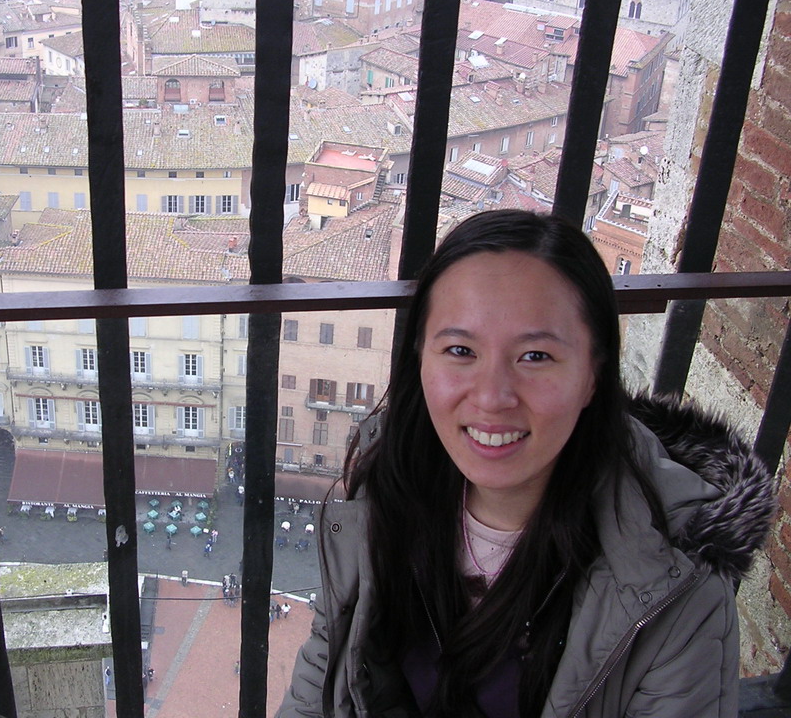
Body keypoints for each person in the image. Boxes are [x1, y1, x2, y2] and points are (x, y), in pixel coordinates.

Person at [278, 210, 775, 718]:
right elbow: (323, 678)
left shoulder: (676, 587)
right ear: (419, 360)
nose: (493, 397)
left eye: (535, 356)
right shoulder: (386, 491)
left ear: (593, 377)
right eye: (460, 349)